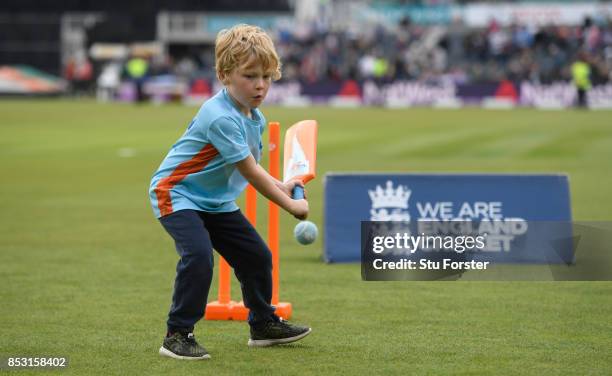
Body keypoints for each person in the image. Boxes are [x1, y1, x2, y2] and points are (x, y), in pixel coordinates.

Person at [148, 24, 311, 360]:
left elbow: (252, 165)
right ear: (224, 75)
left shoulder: (255, 117)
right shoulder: (220, 116)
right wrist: (290, 206)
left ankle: (263, 323)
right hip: (177, 193)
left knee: (256, 257)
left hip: (215, 200)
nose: (261, 85)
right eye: (250, 76)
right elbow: (250, 172)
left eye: (267, 76)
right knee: (198, 258)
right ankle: (177, 335)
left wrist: (284, 185)